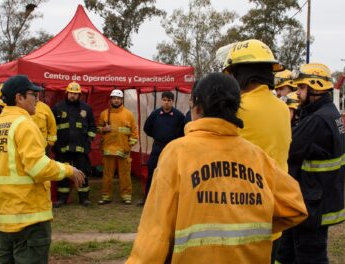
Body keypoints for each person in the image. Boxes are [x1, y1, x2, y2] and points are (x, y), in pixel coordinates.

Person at [126, 73, 307, 264]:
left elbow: (155, 233)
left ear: (196, 106)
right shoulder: (258, 157)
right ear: (236, 108)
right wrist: (255, 226)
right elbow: (295, 207)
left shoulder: (177, 153)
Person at [0, 75, 85, 263]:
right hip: (29, 216)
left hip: (3, 217)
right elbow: (38, 168)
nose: (38, 99)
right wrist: (68, 170)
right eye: (33, 94)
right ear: (19, 98)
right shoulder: (24, 124)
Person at [222, 39, 291, 262]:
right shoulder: (283, 108)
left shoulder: (236, 109)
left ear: (241, 74)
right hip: (272, 215)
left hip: (240, 215)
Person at [276, 63, 345, 264]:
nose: (296, 93)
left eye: (301, 88)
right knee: (290, 252)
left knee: (310, 257)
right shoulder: (330, 113)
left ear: (315, 87)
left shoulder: (318, 120)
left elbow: (289, 147)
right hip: (318, 200)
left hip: (313, 204)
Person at [52, 81, 96, 207]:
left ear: (79, 95)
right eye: (71, 93)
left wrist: (89, 140)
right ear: (67, 93)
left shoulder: (86, 109)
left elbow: (92, 126)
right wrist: (56, 144)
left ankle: (84, 198)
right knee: (63, 173)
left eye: (76, 94)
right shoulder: (58, 107)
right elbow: (52, 126)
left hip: (81, 148)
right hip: (63, 148)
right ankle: (62, 199)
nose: (73, 96)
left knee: (82, 172)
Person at [138, 91, 185, 206]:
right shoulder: (155, 114)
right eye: (164, 100)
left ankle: (171, 200)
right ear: (161, 100)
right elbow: (146, 128)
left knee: (171, 174)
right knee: (152, 172)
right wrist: (157, 136)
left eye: (169, 100)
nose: (166, 103)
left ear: (172, 102)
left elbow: (184, 131)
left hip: (172, 149)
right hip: (157, 148)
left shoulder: (179, 116)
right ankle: (147, 198)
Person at [97, 89, 138, 205]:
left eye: (118, 98)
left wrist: (128, 145)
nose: (116, 100)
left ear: (122, 100)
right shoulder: (104, 113)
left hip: (123, 150)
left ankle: (126, 196)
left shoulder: (128, 114)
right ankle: (106, 196)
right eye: (114, 98)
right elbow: (98, 128)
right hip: (108, 149)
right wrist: (103, 129)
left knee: (125, 174)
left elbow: (134, 133)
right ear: (111, 99)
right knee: (107, 175)